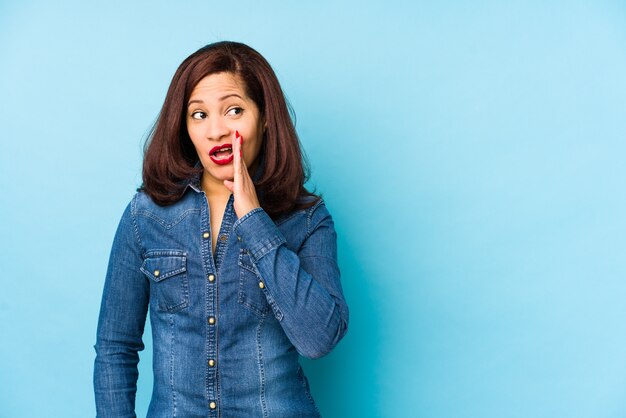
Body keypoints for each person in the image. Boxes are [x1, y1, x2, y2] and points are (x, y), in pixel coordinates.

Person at [93, 41, 349, 417]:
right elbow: (115, 346)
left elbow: (318, 339)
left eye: (233, 110)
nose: (215, 130)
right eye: (198, 115)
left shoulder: (307, 218)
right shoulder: (144, 215)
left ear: (264, 117)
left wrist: (253, 218)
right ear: (184, 127)